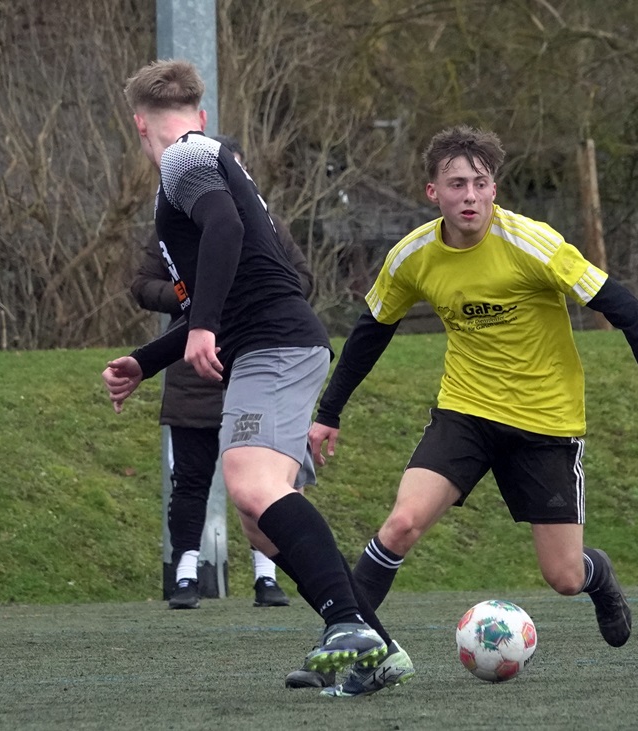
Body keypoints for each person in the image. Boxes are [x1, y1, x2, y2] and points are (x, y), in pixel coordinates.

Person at [289, 125, 638, 689]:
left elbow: (622, 305)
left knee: (563, 576)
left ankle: (597, 574)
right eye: (457, 184)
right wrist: (329, 412)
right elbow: (371, 330)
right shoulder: (413, 256)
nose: (470, 196)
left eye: (480, 183)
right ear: (433, 192)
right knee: (401, 524)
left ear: (494, 189)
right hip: (466, 414)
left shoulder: (532, 244)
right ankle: (346, 648)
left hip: (545, 423)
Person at [103, 59, 412, 697]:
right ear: (201, 112)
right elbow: (223, 281)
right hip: (274, 343)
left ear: (138, 124)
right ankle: (375, 647)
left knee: (250, 484)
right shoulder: (209, 159)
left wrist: (202, 327)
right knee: (259, 519)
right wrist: (147, 360)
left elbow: (226, 230)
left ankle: (348, 627)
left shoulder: (183, 159)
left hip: (276, 344)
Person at [130, 134, 312, 610]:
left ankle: (270, 577)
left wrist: (242, 291)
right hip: (195, 370)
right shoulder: (174, 221)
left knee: (263, 485)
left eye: (233, 172)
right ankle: (186, 572)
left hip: (258, 360)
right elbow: (144, 284)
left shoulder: (264, 225)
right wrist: (194, 300)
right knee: (193, 479)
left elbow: (299, 279)